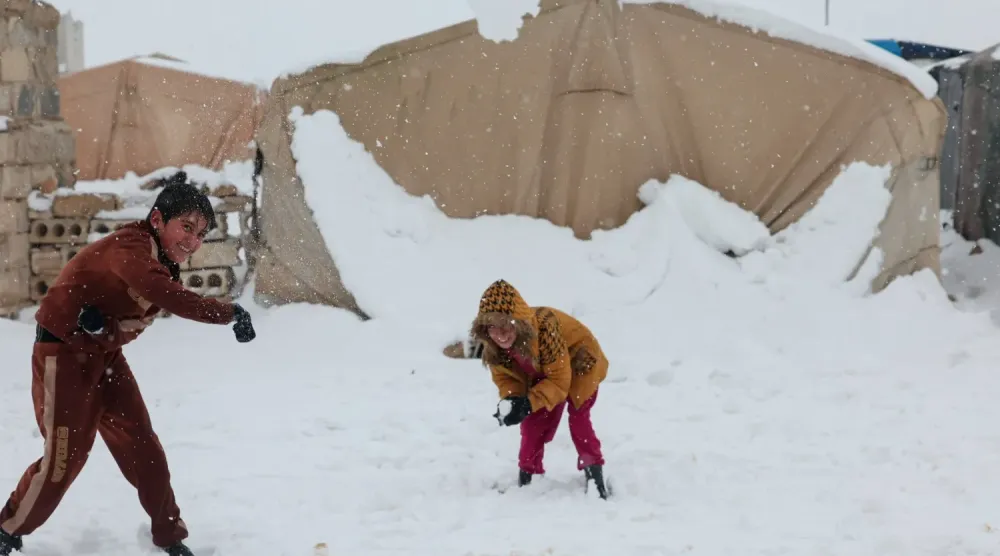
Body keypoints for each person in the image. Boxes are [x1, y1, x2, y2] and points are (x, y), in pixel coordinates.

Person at [0, 171, 256, 556]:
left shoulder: (163, 262)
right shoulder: (132, 249)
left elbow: (132, 321)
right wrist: (229, 313)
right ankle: (7, 531)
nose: (192, 241)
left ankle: (169, 538)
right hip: (62, 355)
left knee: (143, 445)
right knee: (64, 458)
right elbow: (164, 295)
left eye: (200, 234)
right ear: (157, 221)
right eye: (186, 227)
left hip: (103, 359)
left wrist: (103, 331)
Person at [470, 279, 610, 499]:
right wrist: (514, 400)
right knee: (533, 420)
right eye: (492, 327)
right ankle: (528, 476)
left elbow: (559, 382)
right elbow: (507, 378)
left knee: (578, 416)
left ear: (518, 322)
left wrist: (528, 402)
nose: (501, 333)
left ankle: (594, 473)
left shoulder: (546, 328)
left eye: (505, 324)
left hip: (581, 360)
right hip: (545, 370)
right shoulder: (495, 348)